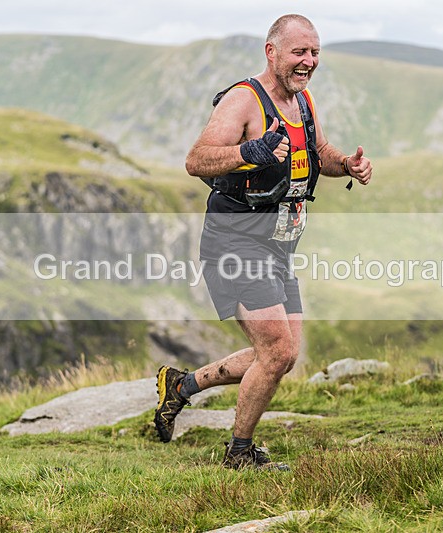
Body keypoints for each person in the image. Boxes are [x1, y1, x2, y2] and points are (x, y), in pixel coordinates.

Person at [155, 13, 372, 470]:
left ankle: (182, 386)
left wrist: (345, 167)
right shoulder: (243, 101)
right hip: (235, 242)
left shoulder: (304, 101)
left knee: (280, 354)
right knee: (278, 352)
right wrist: (246, 153)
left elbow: (319, 154)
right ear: (271, 52)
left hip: (277, 245)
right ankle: (238, 453)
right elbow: (196, 160)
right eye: (299, 52)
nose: (308, 61)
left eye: (314, 52)